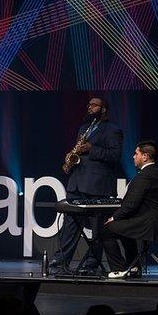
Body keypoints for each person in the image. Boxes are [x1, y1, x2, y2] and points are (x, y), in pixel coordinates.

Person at [49, 97, 123, 275]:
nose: (90, 107)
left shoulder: (113, 130)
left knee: (97, 229)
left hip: (98, 185)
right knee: (70, 225)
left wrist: (91, 149)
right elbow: (80, 153)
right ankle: (61, 260)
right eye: (89, 104)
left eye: (94, 105)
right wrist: (73, 157)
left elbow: (115, 155)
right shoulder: (84, 128)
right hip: (77, 182)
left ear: (103, 109)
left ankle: (91, 263)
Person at [101, 141, 158, 279]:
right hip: (156, 223)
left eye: (136, 153)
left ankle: (118, 269)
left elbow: (132, 203)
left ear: (145, 156)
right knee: (126, 230)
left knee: (107, 229)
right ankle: (134, 267)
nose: (133, 156)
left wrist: (114, 217)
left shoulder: (145, 175)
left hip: (148, 224)